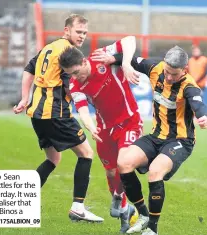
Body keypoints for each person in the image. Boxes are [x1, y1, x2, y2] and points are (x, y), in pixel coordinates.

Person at [13, 14, 107, 222]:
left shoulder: (50, 47)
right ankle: (78, 207)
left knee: (53, 159)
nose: (82, 36)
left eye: (84, 33)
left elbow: (29, 68)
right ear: (67, 31)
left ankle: (21, 201)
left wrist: (24, 98)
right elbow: (71, 85)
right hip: (56, 114)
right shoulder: (69, 53)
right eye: (78, 32)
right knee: (86, 154)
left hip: (37, 114)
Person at [114, 46, 207, 235]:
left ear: (184, 70)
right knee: (123, 162)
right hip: (156, 136)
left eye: (173, 74)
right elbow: (129, 58)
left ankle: (152, 229)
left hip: (180, 140)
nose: (168, 77)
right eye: (166, 72)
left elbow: (199, 103)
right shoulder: (155, 68)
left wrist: (204, 117)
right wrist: (110, 58)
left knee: (155, 171)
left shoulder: (189, 86)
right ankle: (143, 215)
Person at [58, 36, 143, 233]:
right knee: (111, 172)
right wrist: (90, 126)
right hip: (104, 129)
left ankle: (119, 200)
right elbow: (82, 109)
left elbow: (130, 40)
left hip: (129, 121)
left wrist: (125, 64)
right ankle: (124, 209)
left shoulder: (100, 56)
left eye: (77, 72)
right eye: (71, 74)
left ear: (84, 61)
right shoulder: (74, 84)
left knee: (124, 163)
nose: (76, 77)